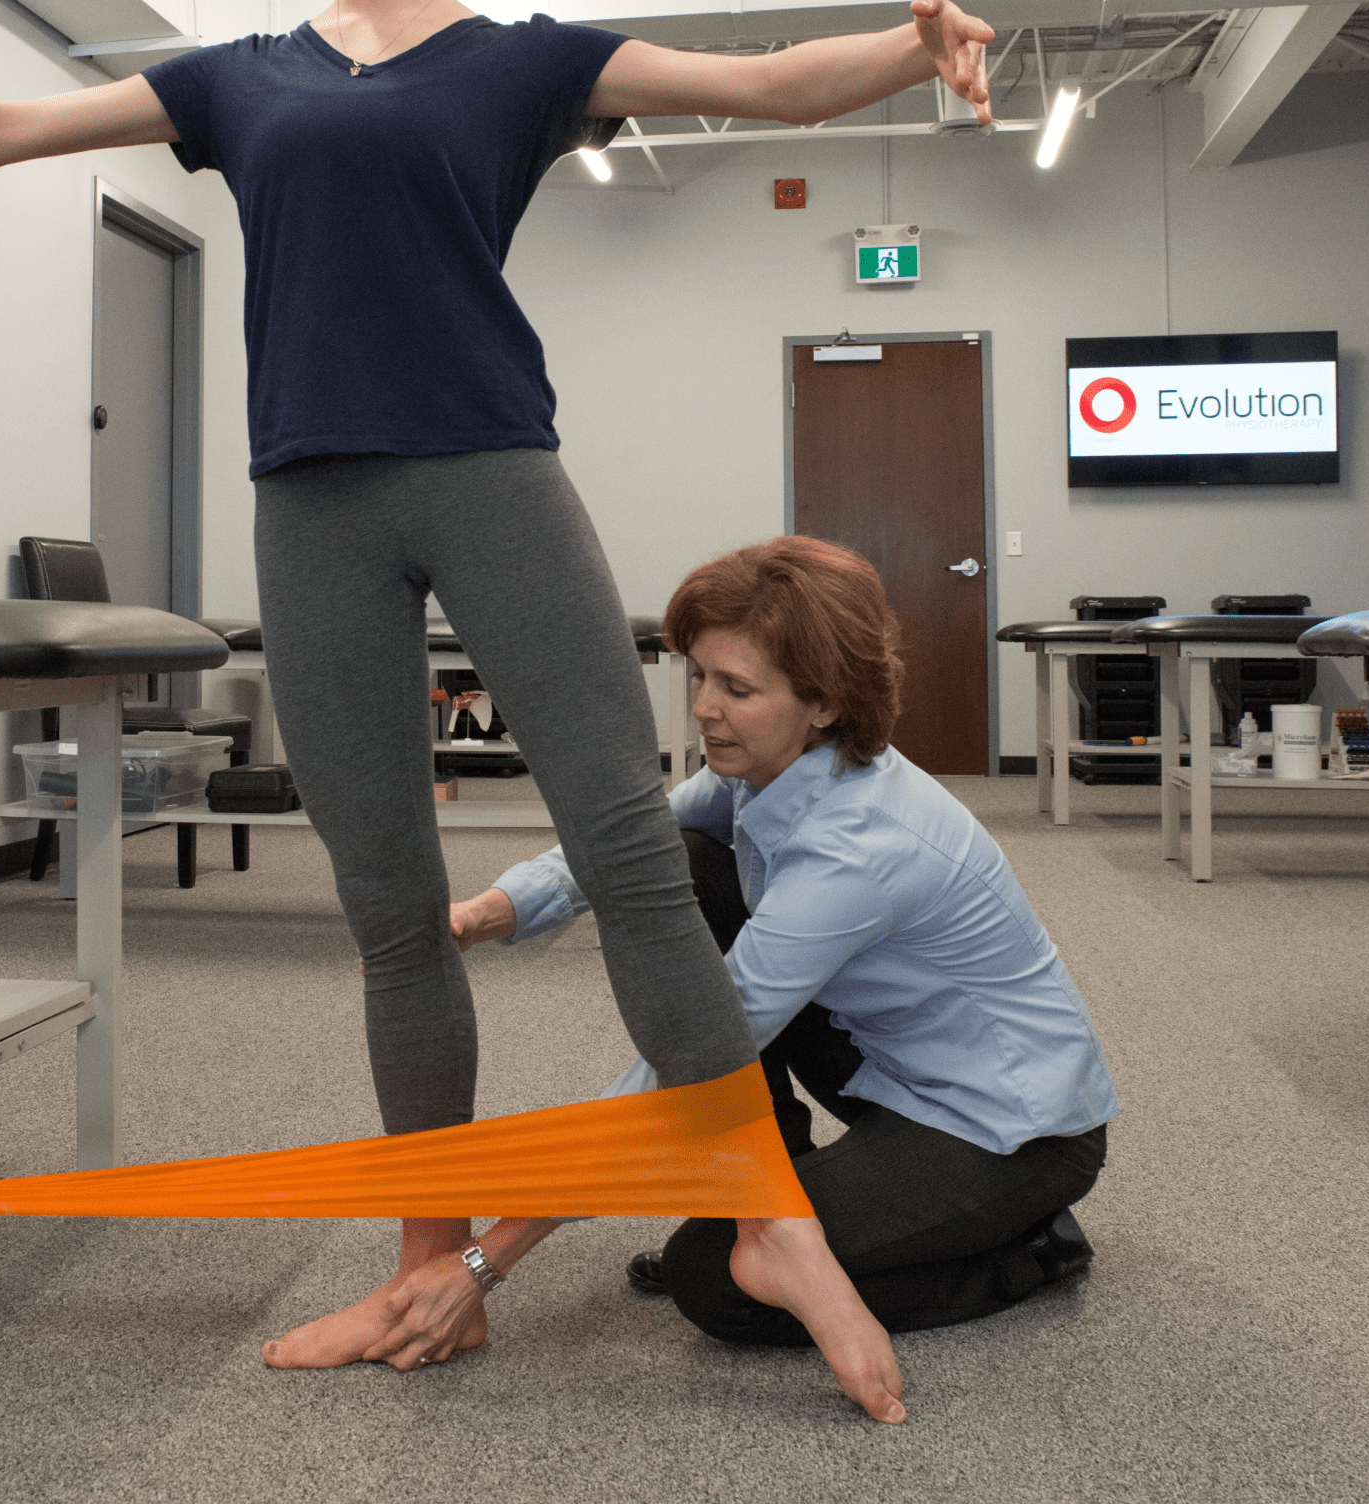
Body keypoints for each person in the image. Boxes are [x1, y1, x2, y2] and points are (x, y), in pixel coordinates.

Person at [0, 0, 996, 1421]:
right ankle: (432, 1271)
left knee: (631, 852)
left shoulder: (522, 61)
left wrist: (910, 47)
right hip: (312, 510)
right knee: (391, 915)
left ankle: (764, 1212)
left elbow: (765, 84)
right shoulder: (241, 79)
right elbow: (1, 127)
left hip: (493, 473)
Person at [449, 533, 1117, 1353]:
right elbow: (631, 843)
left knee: (716, 1280)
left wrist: (484, 1260)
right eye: (698, 674)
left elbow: (704, 1045)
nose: (703, 707)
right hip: (891, 1059)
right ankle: (783, 1177)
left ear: (825, 701)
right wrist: (490, 910)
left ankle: (1033, 1253)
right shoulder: (774, 764)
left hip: (1005, 1130)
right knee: (690, 866)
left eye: (737, 687)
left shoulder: (860, 849)